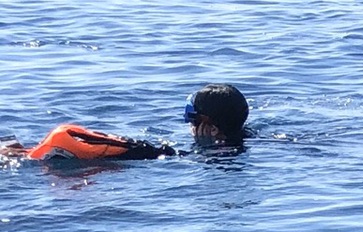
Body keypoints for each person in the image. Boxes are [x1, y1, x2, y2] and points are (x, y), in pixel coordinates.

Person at [3, 83, 248, 163]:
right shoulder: (247, 139)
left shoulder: (213, 155)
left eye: (190, 118)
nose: (188, 125)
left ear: (212, 128)